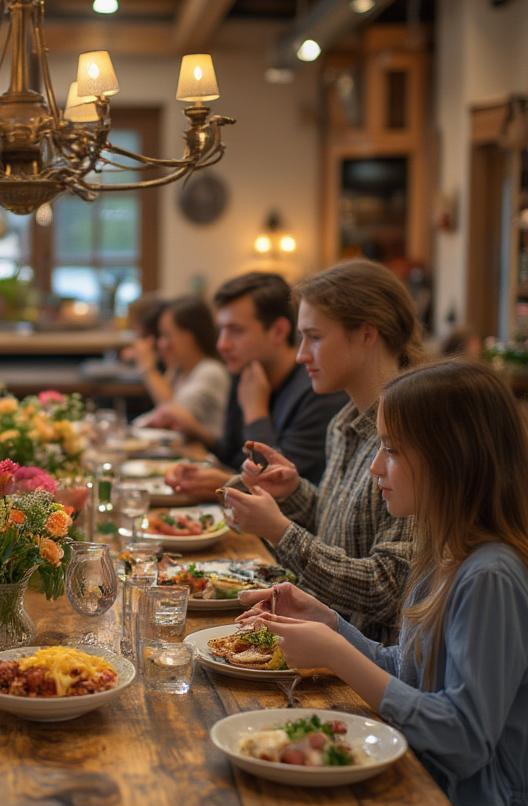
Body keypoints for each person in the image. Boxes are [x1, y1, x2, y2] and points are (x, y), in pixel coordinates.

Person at [239, 360, 527, 806]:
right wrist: (329, 623)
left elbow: (466, 737)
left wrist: (340, 655)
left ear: (452, 457)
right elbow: (409, 670)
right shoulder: (442, 548)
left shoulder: (492, 576)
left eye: (392, 452)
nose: (375, 471)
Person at [223, 259, 418, 642]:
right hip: (324, 637)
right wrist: (294, 495)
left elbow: (387, 587)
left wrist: (279, 531)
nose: (300, 355)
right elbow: (344, 535)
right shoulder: (343, 422)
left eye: (314, 337)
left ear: (366, 334)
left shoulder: (412, 432)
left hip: (367, 662)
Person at [165, 272, 347, 502]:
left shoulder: (319, 392)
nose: (222, 344)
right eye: (221, 329)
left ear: (279, 331)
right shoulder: (246, 372)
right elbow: (232, 455)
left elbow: (282, 491)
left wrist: (255, 414)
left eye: (236, 330)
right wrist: (197, 432)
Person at [130, 294, 231, 444]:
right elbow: (156, 415)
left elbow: (173, 412)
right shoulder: (180, 370)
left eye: (167, 335)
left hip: (213, 459)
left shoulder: (211, 371)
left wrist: (148, 368)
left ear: (190, 335)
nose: (161, 344)